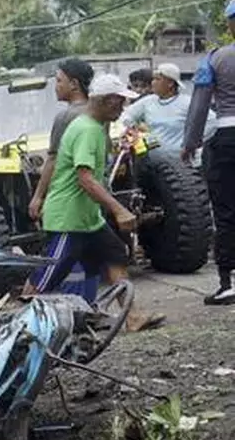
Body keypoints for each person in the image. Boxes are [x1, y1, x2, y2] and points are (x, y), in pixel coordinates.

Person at [26, 74, 163, 331]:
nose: (122, 108)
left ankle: (131, 316)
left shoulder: (94, 127)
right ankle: (21, 323)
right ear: (106, 101)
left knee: (115, 253)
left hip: (87, 218)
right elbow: (85, 179)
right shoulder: (87, 130)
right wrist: (118, 209)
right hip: (68, 217)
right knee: (48, 274)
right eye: (120, 102)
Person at [183, 0, 235, 306]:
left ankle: (228, 284)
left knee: (226, 212)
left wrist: (190, 142)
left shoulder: (216, 58)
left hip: (227, 138)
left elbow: (200, 104)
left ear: (230, 24)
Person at [29, 58, 94, 223]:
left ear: (74, 84)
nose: (56, 86)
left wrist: (38, 197)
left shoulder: (66, 117)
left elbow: (53, 159)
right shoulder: (97, 112)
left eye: (59, 81)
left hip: (70, 197)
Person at [121, 62, 215, 156]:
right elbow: (126, 116)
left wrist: (192, 143)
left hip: (181, 160)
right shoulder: (147, 102)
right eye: (153, 79)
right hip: (153, 160)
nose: (153, 83)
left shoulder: (187, 103)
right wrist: (133, 130)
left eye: (157, 79)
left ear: (170, 83)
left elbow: (211, 121)